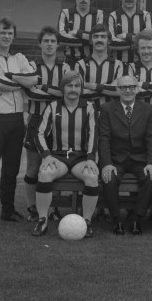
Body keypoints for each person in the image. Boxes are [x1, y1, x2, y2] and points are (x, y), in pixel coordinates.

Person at [0, 17, 38, 226]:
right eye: (3, 32)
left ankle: (8, 211)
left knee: (11, 170)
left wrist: (12, 76)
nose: (7, 36)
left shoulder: (18, 57)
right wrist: (19, 79)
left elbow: (34, 79)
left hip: (17, 119)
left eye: (10, 33)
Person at [31, 71, 99, 238]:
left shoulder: (89, 107)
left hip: (81, 157)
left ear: (81, 89)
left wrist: (91, 159)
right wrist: (46, 155)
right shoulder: (53, 106)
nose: (73, 89)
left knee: (91, 176)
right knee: (45, 173)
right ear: (63, 88)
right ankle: (42, 220)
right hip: (58, 156)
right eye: (69, 85)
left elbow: (94, 135)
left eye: (77, 86)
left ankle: (86, 222)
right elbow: (38, 134)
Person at [98, 75, 152, 235]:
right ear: (117, 90)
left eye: (131, 86)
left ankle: (136, 219)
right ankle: (116, 219)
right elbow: (104, 138)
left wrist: (151, 163)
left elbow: (151, 138)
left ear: (137, 89)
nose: (128, 90)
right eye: (123, 87)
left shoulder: (148, 110)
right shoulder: (107, 109)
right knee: (108, 177)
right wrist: (106, 164)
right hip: (116, 159)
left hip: (140, 159)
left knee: (150, 177)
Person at [22, 25, 70, 222]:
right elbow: (30, 92)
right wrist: (53, 90)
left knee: (55, 166)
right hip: (36, 120)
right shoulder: (32, 66)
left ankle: (54, 208)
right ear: (39, 43)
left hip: (59, 122)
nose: (49, 44)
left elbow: (66, 93)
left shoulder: (65, 68)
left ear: (58, 44)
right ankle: (31, 207)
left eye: (53, 41)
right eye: (46, 41)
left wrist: (42, 86)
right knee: (33, 167)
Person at [57, 0, 103, 68]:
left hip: (92, 62)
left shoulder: (99, 14)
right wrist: (88, 38)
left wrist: (78, 33)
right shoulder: (65, 13)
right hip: (70, 62)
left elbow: (99, 40)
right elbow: (61, 38)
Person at [76, 24, 124, 110]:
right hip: (86, 113)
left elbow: (118, 91)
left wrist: (91, 86)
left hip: (111, 113)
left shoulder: (118, 65)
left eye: (103, 37)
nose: (99, 40)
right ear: (90, 41)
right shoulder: (80, 64)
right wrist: (107, 89)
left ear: (109, 41)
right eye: (96, 37)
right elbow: (78, 92)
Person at [108, 0, 152, 64]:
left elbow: (147, 41)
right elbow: (111, 44)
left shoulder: (145, 16)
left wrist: (124, 36)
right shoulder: (113, 16)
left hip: (139, 65)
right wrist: (136, 43)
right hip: (117, 64)